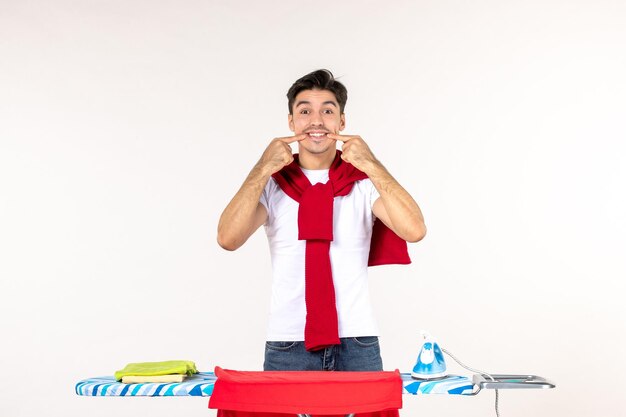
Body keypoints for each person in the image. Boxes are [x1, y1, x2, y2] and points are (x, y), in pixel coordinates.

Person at [217, 69, 426, 372]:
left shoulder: (363, 183)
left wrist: (371, 164)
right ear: (291, 121)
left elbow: (415, 230)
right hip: (287, 343)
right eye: (305, 111)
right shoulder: (273, 185)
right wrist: (262, 168)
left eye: (327, 111)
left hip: (357, 342)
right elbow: (228, 238)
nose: (316, 121)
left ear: (342, 122)